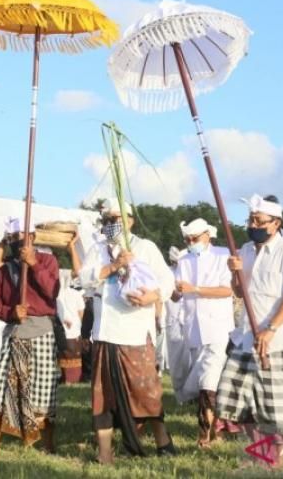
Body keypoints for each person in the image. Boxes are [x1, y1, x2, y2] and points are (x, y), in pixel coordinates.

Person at [85, 198, 177, 463]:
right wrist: (112, 266)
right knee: (103, 395)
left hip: (136, 331)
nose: (113, 224)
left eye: (118, 219)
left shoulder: (145, 247)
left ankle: (162, 441)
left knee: (146, 390)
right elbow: (83, 278)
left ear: (130, 221)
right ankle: (104, 452)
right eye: (108, 220)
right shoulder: (98, 249)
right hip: (105, 331)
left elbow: (166, 280)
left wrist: (154, 296)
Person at [218, 194, 283, 470]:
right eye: (250, 220)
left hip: (276, 342)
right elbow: (237, 292)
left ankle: (278, 462)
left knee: (277, 411)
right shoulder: (244, 250)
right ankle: (260, 453)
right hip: (244, 338)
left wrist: (271, 329)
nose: (253, 224)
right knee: (234, 403)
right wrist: (235, 273)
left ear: (276, 223)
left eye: (259, 221)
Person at [0, 217, 60, 458]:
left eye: (22, 236)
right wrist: (11, 312)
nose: (18, 242)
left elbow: (52, 292)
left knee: (43, 389)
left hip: (41, 331)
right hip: (15, 332)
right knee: (1, 387)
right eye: (13, 238)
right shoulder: (5, 270)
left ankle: (48, 442)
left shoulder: (48, 261)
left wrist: (34, 264)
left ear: (33, 238)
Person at [172, 217, 234, 447]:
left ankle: (204, 434)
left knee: (208, 381)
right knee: (206, 382)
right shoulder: (184, 260)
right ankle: (217, 427)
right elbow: (176, 294)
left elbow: (227, 290)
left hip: (218, 328)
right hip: (193, 330)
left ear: (207, 235)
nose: (190, 242)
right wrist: (176, 292)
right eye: (187, 239)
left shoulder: (222, 255)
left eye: (194, 238)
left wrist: (195, 289)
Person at [164, 247, 191, 391]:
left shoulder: (191, 271)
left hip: (190, 320)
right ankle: (180, 393)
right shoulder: (167, 273)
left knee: (191, 358)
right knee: (176, 359)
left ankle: (193, 392)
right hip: (173, 320)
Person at [56, 269, 85, 383]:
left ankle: (65, 379)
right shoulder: (76, 294)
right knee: (75, 356)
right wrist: (78, 323)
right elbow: (81, 312)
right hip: (75, 330)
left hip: (62, 330)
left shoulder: (56, 295)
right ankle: (74, 380)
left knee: (64, 356)